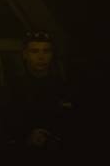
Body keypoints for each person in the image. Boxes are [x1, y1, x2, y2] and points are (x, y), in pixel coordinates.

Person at [4, 30, 76, 165]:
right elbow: (4, 123)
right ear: (25, 54)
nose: (41, 57)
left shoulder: (64, 87)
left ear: (52, 54)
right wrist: (25, 137)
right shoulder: (12, 88)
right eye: (35, 51)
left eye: (46, 51)